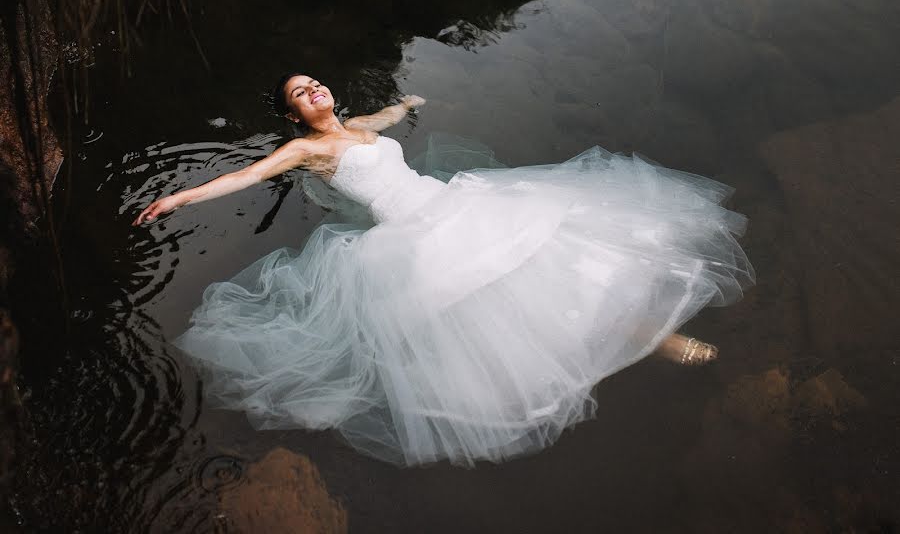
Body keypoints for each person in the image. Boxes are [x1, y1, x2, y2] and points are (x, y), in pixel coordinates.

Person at [133, 74, 754, 466]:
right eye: (300, 93)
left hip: (456, 203)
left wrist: (411, 102)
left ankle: (641, 335)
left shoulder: (359, 126)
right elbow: (248, 176)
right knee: (507, 307)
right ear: (294, 116)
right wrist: (178, 199)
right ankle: (647, 342)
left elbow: (393, 118)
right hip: (410, 236)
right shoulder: (305, 149)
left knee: (561, 263)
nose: (314, 90)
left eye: (316, 83)